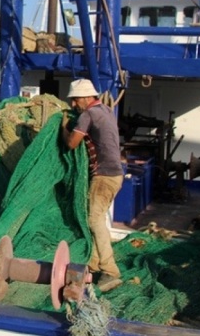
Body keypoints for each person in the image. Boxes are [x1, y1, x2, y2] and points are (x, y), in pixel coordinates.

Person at [60, 79, 124, 293]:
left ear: (87, 97)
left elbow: (72, 144)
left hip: (104, 176)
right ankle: (94, 265)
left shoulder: (88, 115)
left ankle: (110, 271)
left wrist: (63, 128)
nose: (74, 104)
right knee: (95, 219)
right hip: (116, 175)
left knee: (94, 219)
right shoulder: (106, 111)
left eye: (76, 100)